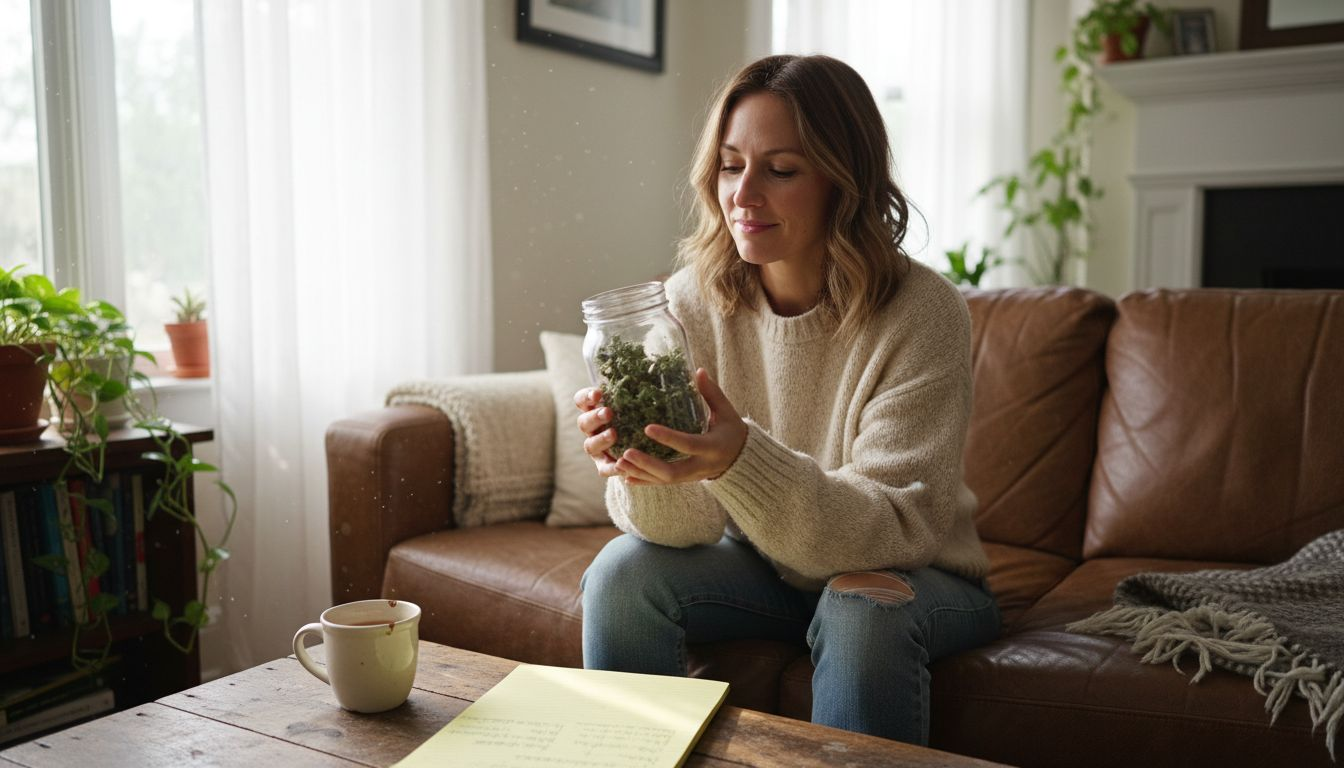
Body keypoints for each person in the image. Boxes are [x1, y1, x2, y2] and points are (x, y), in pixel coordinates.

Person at [573, 54, 999, 746]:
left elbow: (893, 529)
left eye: (781, 169)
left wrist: (739, 457)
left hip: (915, 575)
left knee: (860, 605)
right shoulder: (688, 302)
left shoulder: (923, 311)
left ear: (843, 179)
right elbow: (681, 532)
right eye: (732, 164)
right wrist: (648, 464)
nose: (744, 194)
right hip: (767, 568)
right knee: (621, 573)